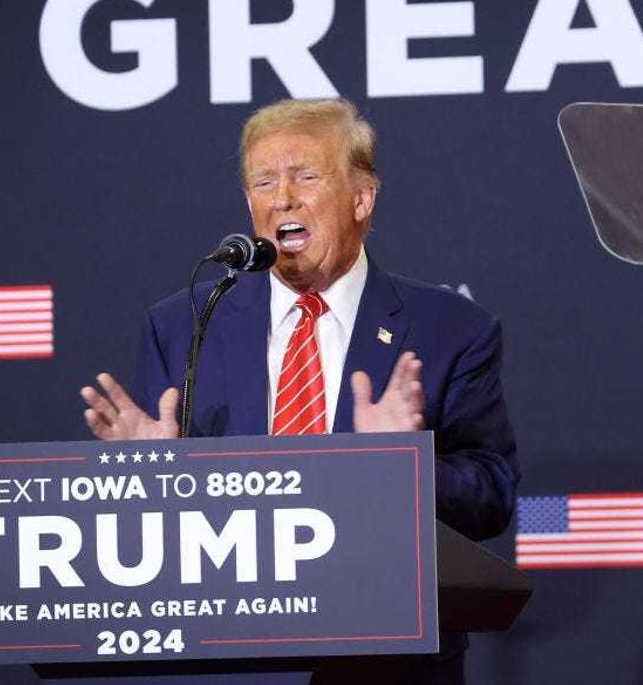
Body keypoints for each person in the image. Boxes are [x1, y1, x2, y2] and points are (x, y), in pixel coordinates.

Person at [80, 98, 519, 683]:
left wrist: (404, 468)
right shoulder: (184, 324)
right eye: (263, 181)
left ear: (361, 198)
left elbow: (492, 495)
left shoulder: (452, 330)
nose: (281, 197)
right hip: (229, 661)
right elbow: (151, 542)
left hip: (387, 660)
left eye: (305, 177)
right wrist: (142, 484)